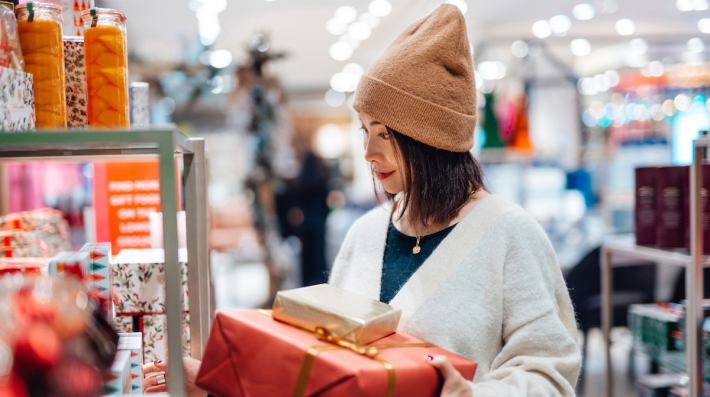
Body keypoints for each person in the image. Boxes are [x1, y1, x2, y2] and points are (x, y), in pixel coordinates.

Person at [143, 4, 581, 396]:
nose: (369, 154)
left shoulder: (510, 235)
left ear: (430, 139)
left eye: (386, 135)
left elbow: (550, 372)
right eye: (365, 132)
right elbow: (324, 369)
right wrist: (221, 379)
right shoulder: (367, 232)